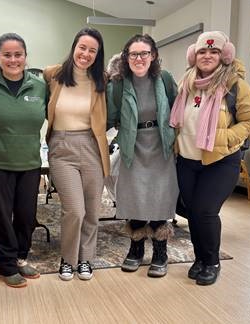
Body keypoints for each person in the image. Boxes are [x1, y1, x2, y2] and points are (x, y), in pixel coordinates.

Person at [170, 31, 250, 285]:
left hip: (219, 161)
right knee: (191, 211)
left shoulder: (235, 85)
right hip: (186, 160)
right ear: (194, 56)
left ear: (224, 55)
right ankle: (199, 259)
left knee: (205, 211)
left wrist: (225, 137)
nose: (207, 56)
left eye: (214, 51)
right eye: (202, 51)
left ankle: (212, 262)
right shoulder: (185, 84)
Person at [0, 33, 46, 288]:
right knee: (2, 217)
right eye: (7, 55)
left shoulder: (39, 86)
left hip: (29, 162)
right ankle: (6, 265)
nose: (13, 59)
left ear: (26, 57)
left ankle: (20, 258)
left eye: (18, 54)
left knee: (27, 216)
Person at [106, 34, 178, 278]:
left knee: (160, 199)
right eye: (133, 54)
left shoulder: (165, 79)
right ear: (126, 58)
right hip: (132, 145)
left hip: (161, 145)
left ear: (153, 55)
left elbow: (178, 109)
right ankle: (136, 249)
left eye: (144, 53)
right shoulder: (117, 84)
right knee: (134, 198)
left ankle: (160, 253)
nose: (139, 58)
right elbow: (110, 116)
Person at [43, 27, 109, 281]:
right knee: (74, 210)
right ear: (74, 47)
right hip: (61, 147)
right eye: (82, 47)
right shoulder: (53, 74)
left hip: (93, 146)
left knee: (92, 210)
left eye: (93, 50)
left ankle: (86, 259)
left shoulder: (102, 80)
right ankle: (67, 259)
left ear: (98, 55)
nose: (86, 53)